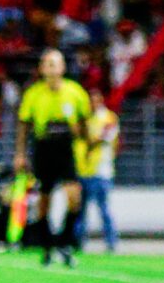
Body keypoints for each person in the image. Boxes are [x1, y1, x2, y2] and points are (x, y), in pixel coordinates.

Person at [14, 49, 90, 267]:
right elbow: (23, 125)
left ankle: (64, 243)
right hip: (43, 148)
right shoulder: (33, 94)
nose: (51, 67)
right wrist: (20, 154)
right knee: (44, 201)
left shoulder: (75, 92)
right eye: (47, 63)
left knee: (74, 198)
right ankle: (47, 247)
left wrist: (81, 134)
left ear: (63, 67)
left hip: (66, 150)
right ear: (41, 69)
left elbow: (84, 124)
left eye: (55, 63)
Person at [76, 89, 118, 252]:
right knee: (80, 210)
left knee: (104, 209)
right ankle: (78, 242)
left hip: (101, 170)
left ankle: (111, 242)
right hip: (83, 169)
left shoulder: (108, 118)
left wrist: (88, 138)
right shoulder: (85, 118)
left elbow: (102, 138)